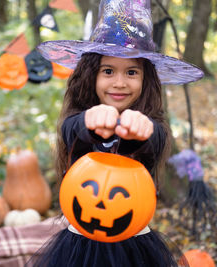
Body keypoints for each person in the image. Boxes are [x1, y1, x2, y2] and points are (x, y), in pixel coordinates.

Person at [27, 0, 204, 266]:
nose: (119, 83)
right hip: (80, 243)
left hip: (134, 242)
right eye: (108, 71)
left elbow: (156, 139)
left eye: (131, 72)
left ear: (145, 79)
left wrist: (142, 129)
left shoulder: (152, 124)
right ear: (91, 76)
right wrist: (90, 121)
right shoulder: (79, 118)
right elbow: (71, 130)